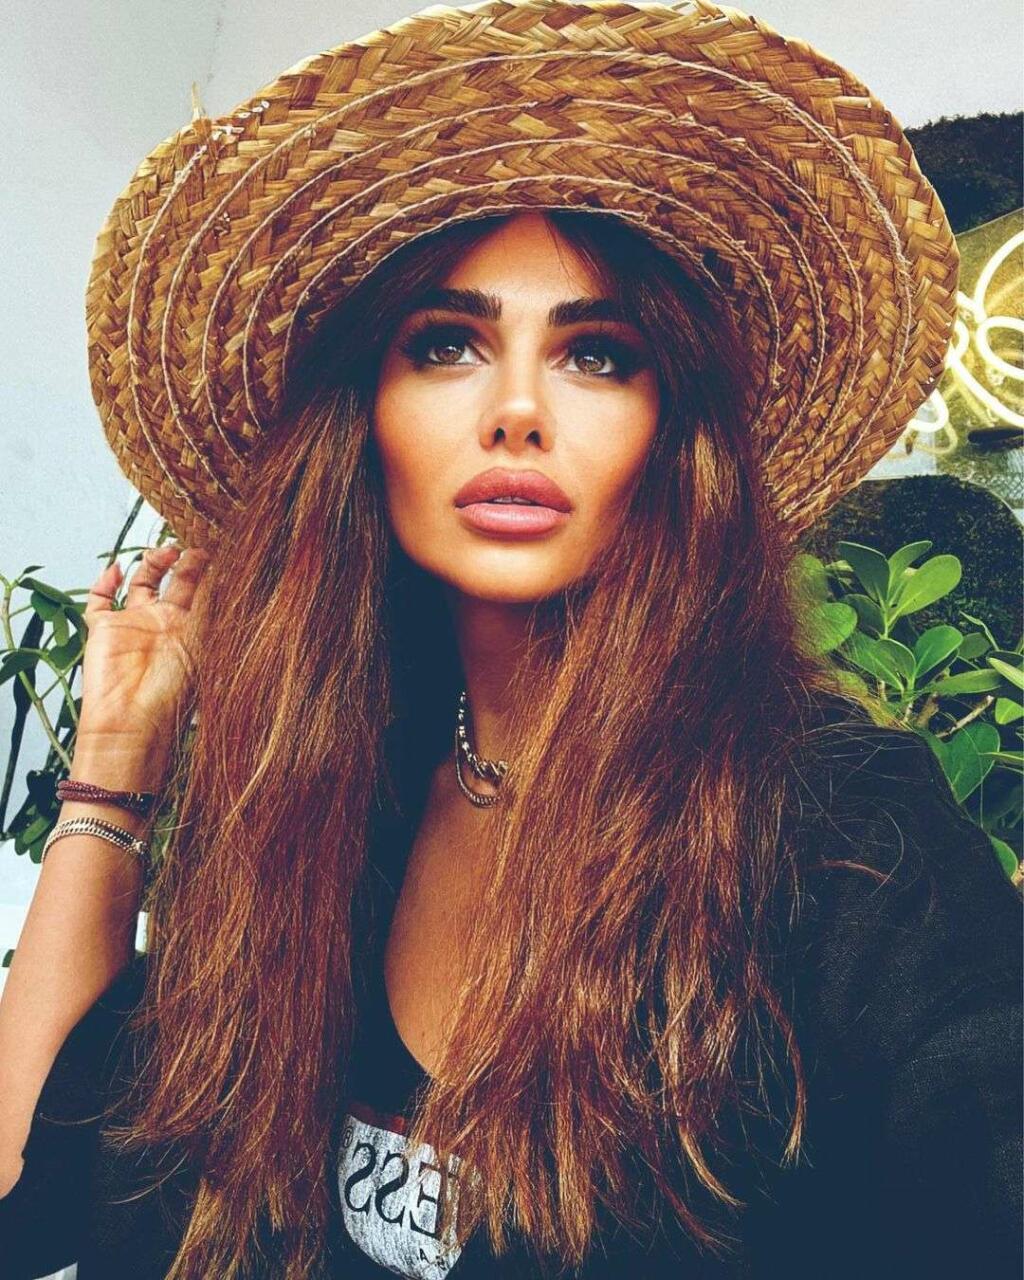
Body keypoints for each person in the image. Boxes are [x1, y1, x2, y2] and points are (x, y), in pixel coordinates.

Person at [1, 3, 1020, 1278]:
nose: (519, 410)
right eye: (447, 345)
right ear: (361, 419)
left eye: (598, 355)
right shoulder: (321, 794)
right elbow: (34, 1194)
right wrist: (116, 756)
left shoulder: (841, 833)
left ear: (676, 436)